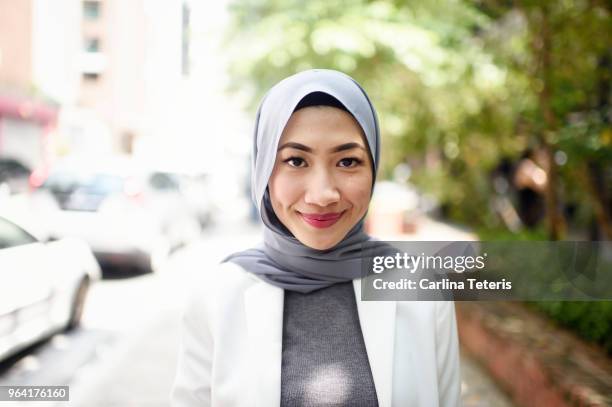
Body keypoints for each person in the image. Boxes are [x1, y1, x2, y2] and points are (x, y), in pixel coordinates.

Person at [171, 69, 462, 406]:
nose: (323, 194)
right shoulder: (216, 297)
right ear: (264, 170)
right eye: (296, 160)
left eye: (348, 161)